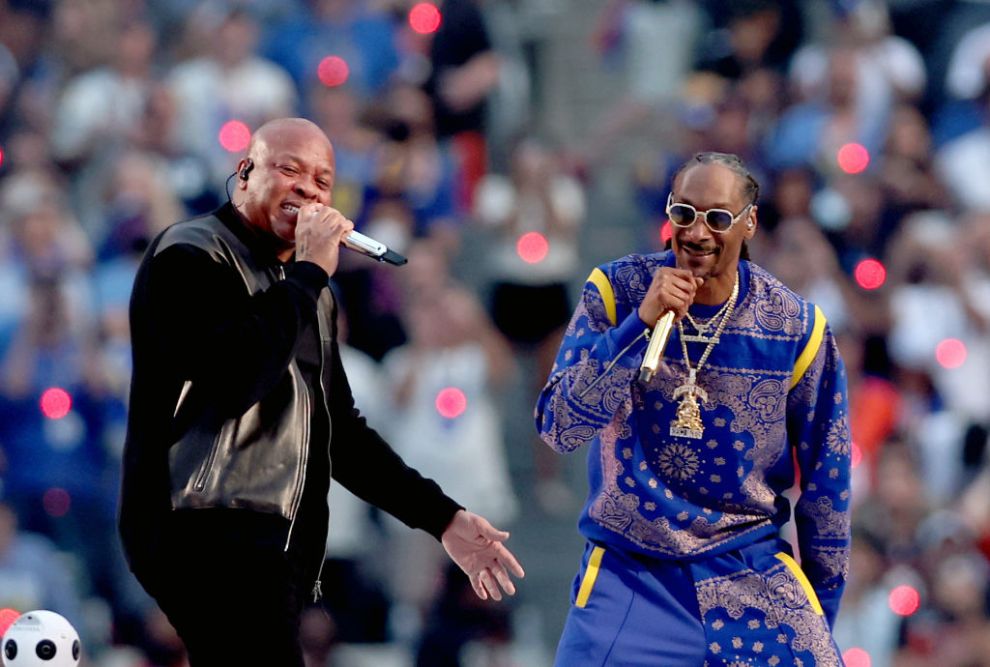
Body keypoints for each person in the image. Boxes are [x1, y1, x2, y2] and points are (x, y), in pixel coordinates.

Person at [117, 117, 524, 666]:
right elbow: (235, 378)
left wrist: (442, 518)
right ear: (244, 174)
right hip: (203, 524)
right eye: (290, 170)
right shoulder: (189, 254)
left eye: (323, 180)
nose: (308, 188)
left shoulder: (310, 293)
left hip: (275, 542)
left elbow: (341, 435)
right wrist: (308, 275)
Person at [535, 152, 851, 665]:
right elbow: (558, 428)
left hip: (751, 569)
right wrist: (638, 325)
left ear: (750, 222)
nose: (698, 232)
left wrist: (818, 617)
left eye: (718, 218)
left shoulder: (797, 327)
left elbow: (827, 490)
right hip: (632, 568)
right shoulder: (617, 293)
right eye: (684, 213)